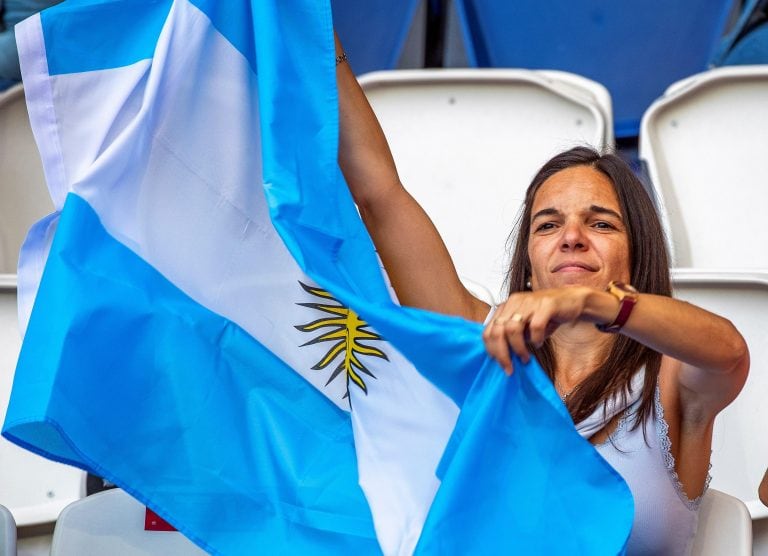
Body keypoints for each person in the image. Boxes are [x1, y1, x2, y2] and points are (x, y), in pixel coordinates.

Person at [334, 34, 750, 555]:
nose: (571, 236)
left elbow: (730, 351)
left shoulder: (669, 379)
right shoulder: (488, 354)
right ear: (528, 264)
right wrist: (325, 47)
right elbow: (380, 196)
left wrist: (594, 303)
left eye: (600, 223)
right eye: (548, 225)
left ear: (636, 254)